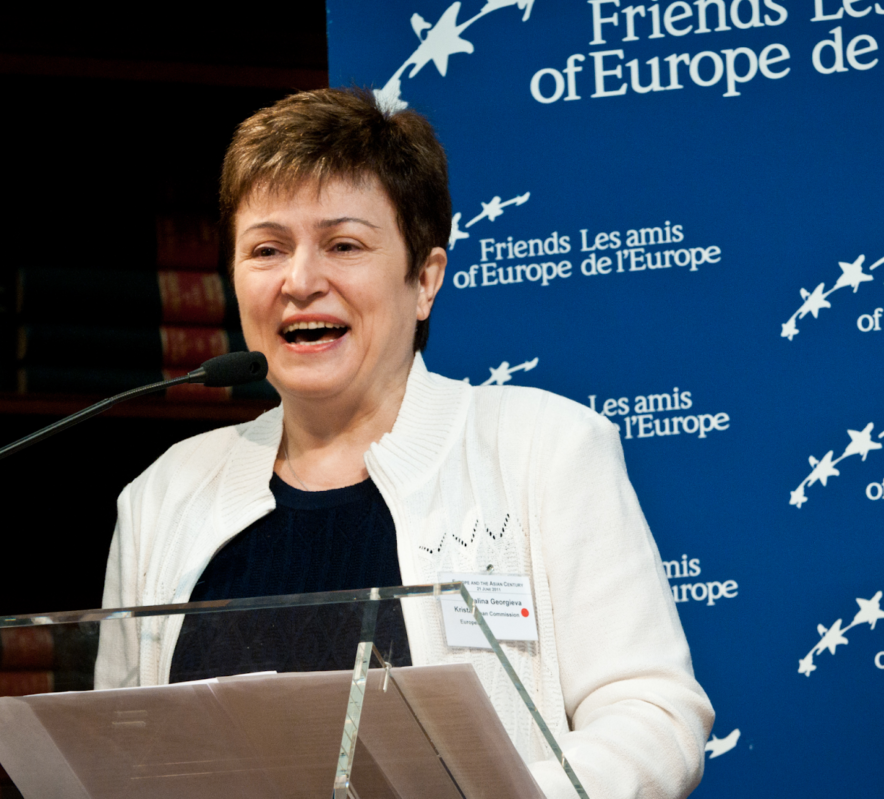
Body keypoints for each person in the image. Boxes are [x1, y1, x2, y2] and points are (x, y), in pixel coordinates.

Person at [94, 87, 713, 799]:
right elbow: (115, 750)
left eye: (343, 245)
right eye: (267, 249)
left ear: (424, 279)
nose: (300, 281)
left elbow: (653, 714)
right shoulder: (162, 495)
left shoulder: (547, 449)